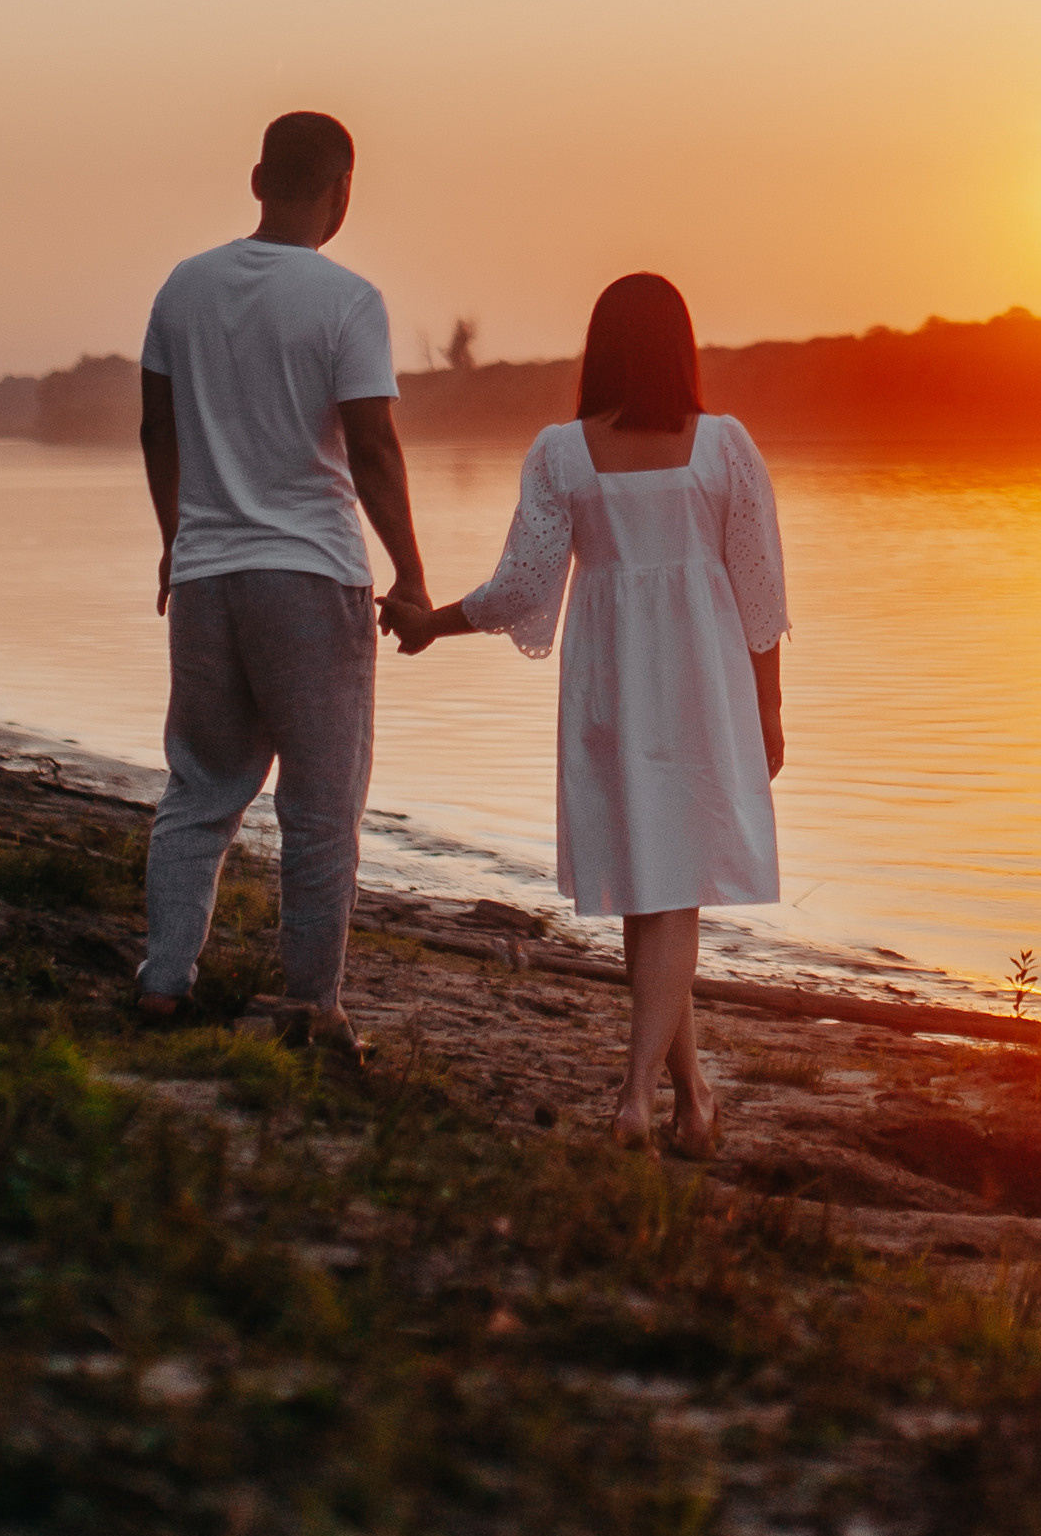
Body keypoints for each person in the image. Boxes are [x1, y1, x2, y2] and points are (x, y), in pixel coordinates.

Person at [392, 273, 786, 1150]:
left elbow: (522, 588)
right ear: (681, 347)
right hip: (701, 685)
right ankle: (635, 1100)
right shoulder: (724, 445)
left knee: (655, 888)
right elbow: (759, 588)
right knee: (669, 890)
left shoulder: (561, 451)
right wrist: (768, 705)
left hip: (611, 679)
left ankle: (693, 1099)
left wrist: (432, 624)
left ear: (597, 347)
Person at [136, 110, 430, 1053]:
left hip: (209, 577)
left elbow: (156, 428)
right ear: (342, 191)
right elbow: (374, 448)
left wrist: (176, 539)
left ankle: (163, 981)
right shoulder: (346, 299)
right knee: (320, 801)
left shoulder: (184, 288)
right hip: (309, 579)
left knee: (200, 785)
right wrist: (412, 574)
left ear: (258, 177)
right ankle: (311, 1003)